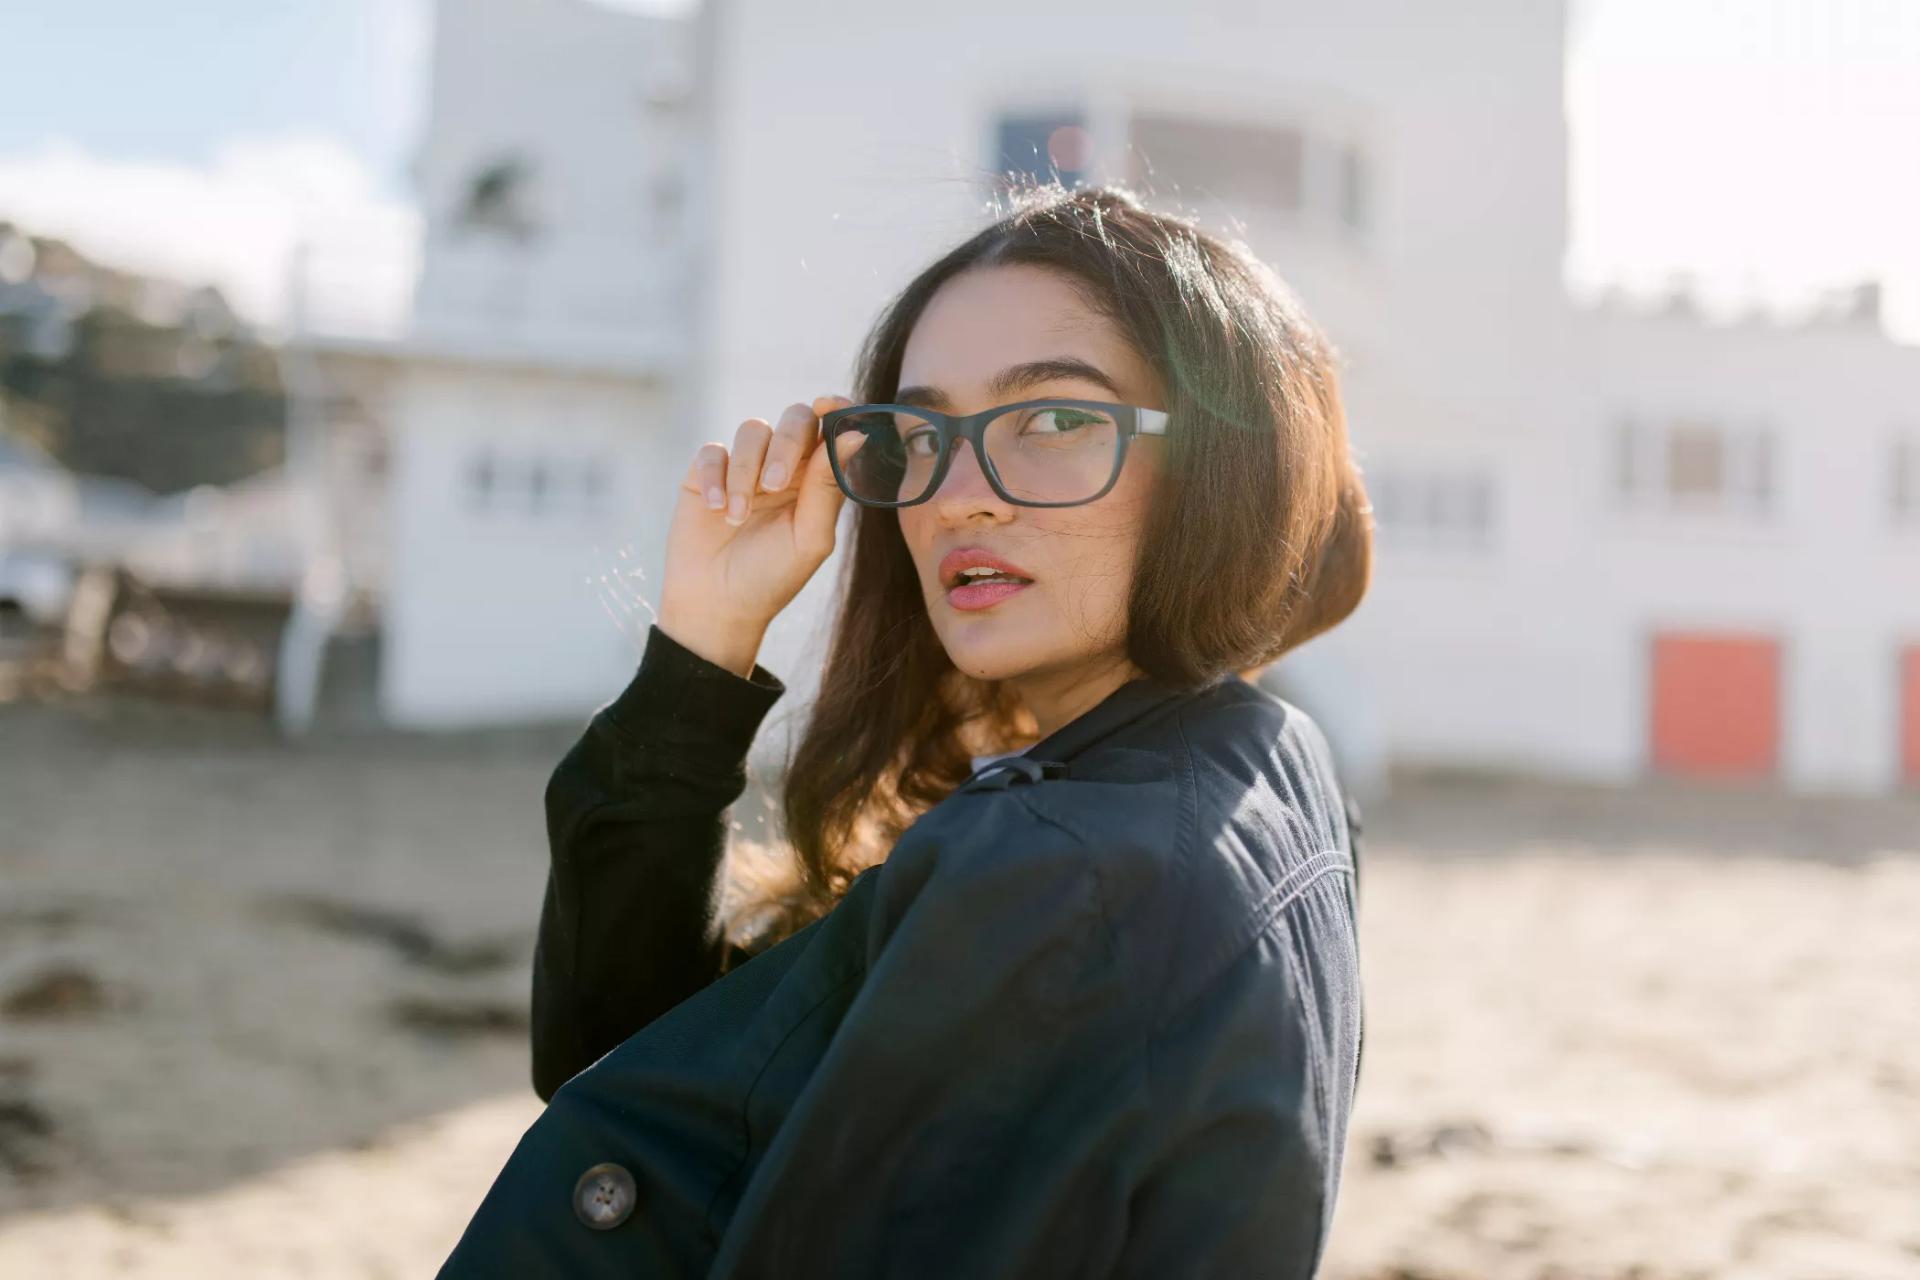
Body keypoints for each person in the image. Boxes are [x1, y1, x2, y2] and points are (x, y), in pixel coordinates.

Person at [439, 181, 1374, 1278]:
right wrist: (706, 643)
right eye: (923, 430)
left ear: (1220, 466)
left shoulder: (1059, 881)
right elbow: (644, 1075)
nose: (958, 495)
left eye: (1058, 418)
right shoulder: (1266, 760)